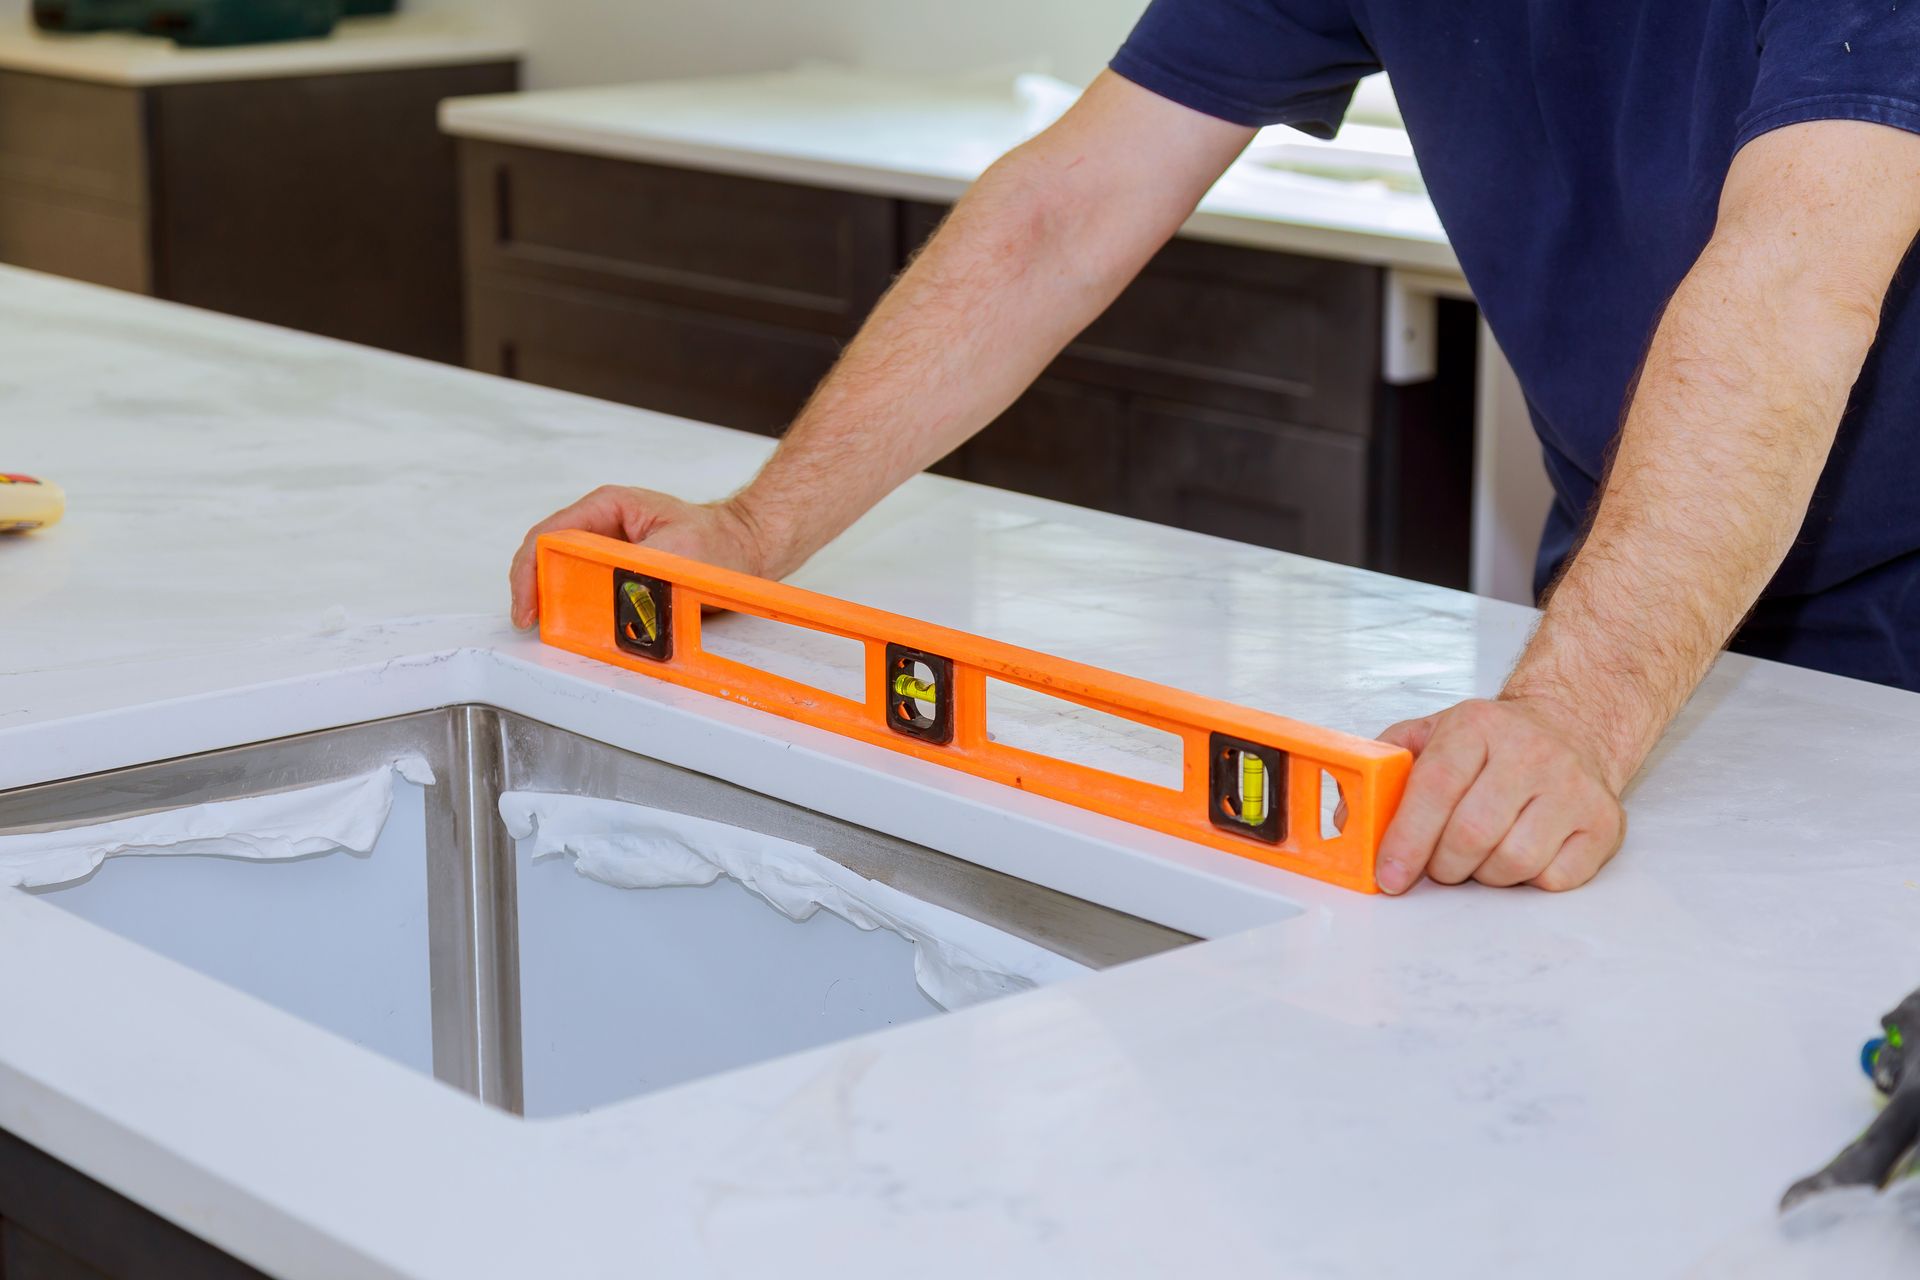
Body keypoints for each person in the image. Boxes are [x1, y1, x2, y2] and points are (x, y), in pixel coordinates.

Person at [510, 2, 1920, 894]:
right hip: (1657, 602)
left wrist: (1570, 716)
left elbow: (1794, 279)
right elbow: (1068, 205)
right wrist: (759, 530)